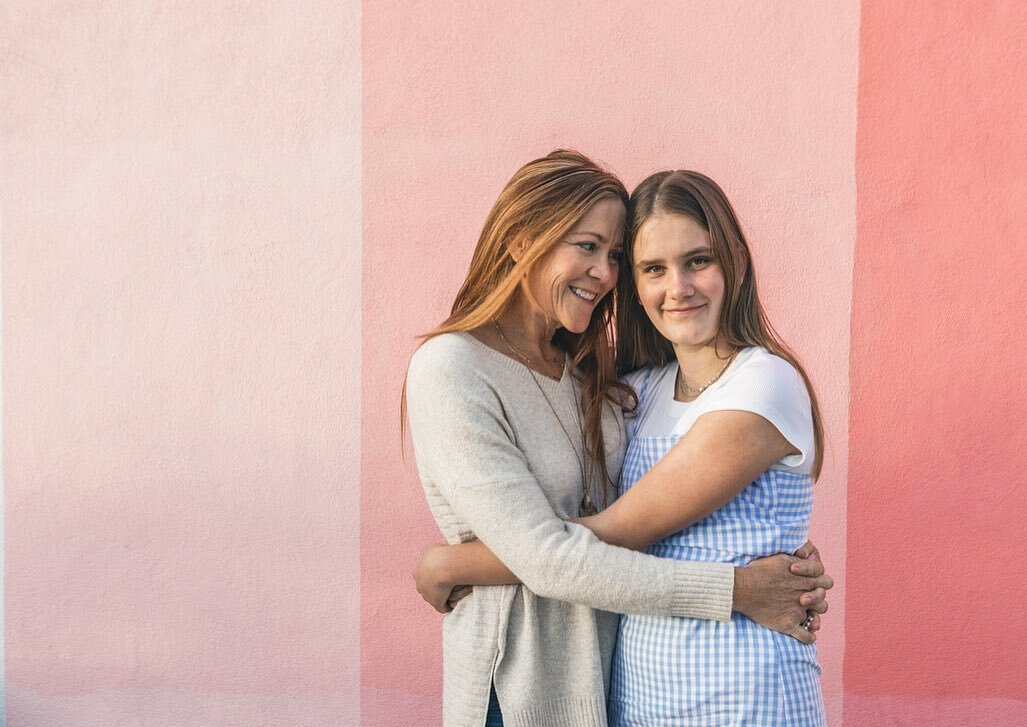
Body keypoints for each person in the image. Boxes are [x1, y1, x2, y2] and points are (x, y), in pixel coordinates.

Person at [405, 150, 831, 727]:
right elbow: (553, 556)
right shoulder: (458, 369)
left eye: (612, 256)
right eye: (588, 247)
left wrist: (457, 563)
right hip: (523, 685)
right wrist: (741, 589)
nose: (605, 273)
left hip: (697, 686)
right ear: (519, 240)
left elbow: (619, 530)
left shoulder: (613, 386)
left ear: (731, 261)